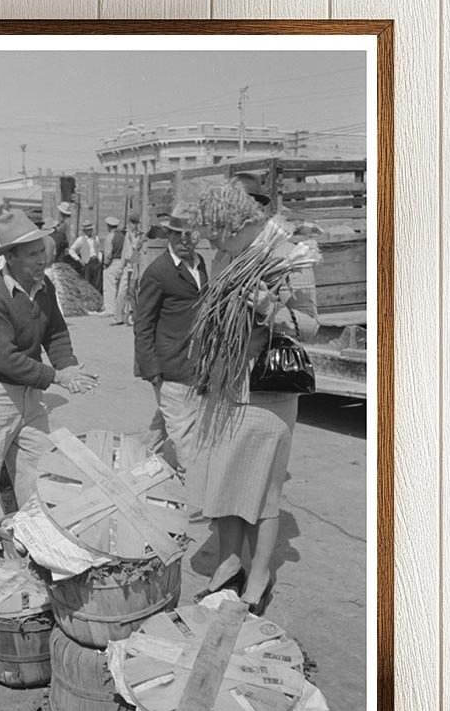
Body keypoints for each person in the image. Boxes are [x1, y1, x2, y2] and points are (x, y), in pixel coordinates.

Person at [188, 187, 319, 614]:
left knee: (264, 490)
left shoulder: (289, 255)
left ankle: (259, 576)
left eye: (217, 236)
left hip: (266, 391)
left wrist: (269, 310)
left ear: (240, 225)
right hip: (225, 385)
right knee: (225, 479)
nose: (212, 246)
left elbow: (312, 326)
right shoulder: (228, 256)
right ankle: (228, 565)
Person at [0, 209, 99, 520]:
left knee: (37, 468)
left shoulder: (44, 286)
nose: (42, 260)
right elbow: (5, 360)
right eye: (32, 254)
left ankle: (35, 534)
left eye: (42, 251)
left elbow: (56, 332)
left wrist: (70, 368)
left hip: (29, 394)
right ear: (11, 257)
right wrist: (57, 377)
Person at [132, 213, 207, 474]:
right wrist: (150, 369)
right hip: (171, 365)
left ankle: (136, 469)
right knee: (185, 436)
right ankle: (195, 498)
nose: (184, 240)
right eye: (177, 234)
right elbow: (143, 324)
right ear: (169, 236)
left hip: (195, 363)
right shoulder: (159, 272)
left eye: (189, 235)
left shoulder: (200, 265)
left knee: (168, 422)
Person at [113, 211, 144, 326]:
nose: (133, 225)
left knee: (134, 291)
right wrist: (121, 269)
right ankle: (118, 317)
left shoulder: (141, 235)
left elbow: (139, 251)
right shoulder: (127, 236)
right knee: (122, 291)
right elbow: (124, 253)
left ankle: (134, 315)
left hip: (137, 266)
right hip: (128, 266)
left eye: (135, 223)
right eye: (132, 223)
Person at [100, 216, 126, 319]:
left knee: (109, 287)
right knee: (119, 287)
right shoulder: (122, 236)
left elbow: (108, 253)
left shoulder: (110, 237)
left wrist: (105, 264)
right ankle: (118, 308)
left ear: (108, 226)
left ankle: (110, 309)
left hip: (113, 262)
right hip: (121, 261)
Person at [69, 221, 102, 291]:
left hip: (96, 262)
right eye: (88, 230)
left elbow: (98, 250)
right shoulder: (80, 240)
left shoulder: (96, 238)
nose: (90, 231)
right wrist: (79, 259)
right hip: (87, 263)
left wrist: (100, 259)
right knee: (87, 283)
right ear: (85, 231)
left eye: (91, 229)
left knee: (97, 283)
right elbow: (71, 250)